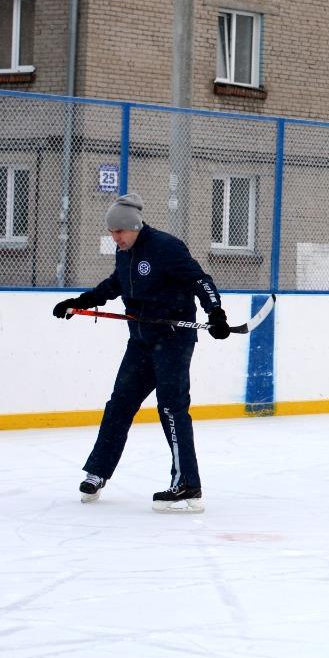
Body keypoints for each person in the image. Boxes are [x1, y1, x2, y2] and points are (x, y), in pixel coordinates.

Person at [51, 192, 227, 512]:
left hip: (173, 340)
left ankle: (187, 483)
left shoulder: (166, 247)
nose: (116, 238)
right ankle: (97, 472)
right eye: (112, 233)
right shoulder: (125, 254)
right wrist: (77, 303)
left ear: (133, 226)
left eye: (120, 232)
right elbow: (112, 287)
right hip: (142, 341)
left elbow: (200, 280)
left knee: (172, 408)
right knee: (119, 404)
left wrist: (216, 313)